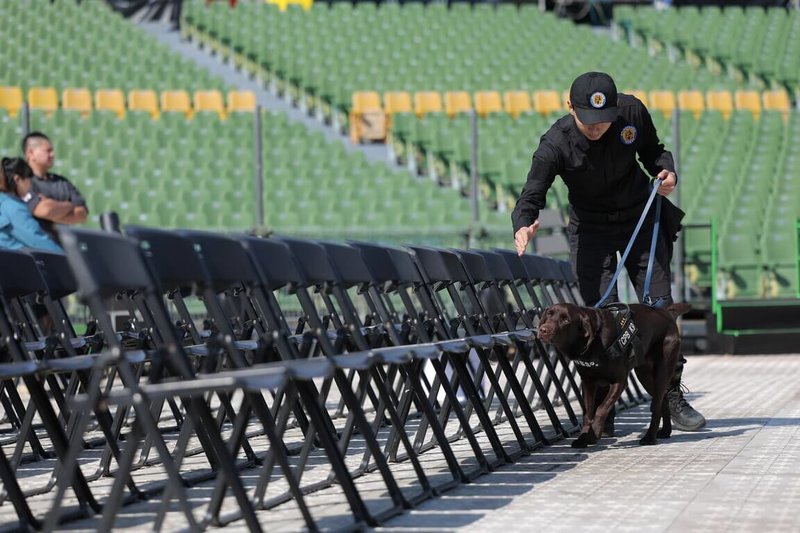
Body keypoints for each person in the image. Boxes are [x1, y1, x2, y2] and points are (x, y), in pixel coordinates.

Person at [511, 71, 705, 432]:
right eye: (589, 121)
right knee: (601, 316)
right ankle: (603, 404)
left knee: (660, 310)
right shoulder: (555, 144)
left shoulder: (631, 113)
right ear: (570, 107)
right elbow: (532, 193)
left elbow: (655, 153)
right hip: (591, 231)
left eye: (604, 120)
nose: (597, 127)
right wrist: (523, 223)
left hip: (639, 220)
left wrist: (667, 173)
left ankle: (670, 396)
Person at [22, 132, 88, 240]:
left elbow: (82, 215)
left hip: (61, 249)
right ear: (31, 153)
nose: (52, 154)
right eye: (48, 151)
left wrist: (53, 209)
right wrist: (70, 205)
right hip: (34, 250)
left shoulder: (62, 182)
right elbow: (44, 210)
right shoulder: (23, 182)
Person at [0, 157, 62, 252]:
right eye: (29, 181)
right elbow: (38, 243)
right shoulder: (14, 208)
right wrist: (69, 260)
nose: (30, 187)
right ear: (17, 179)